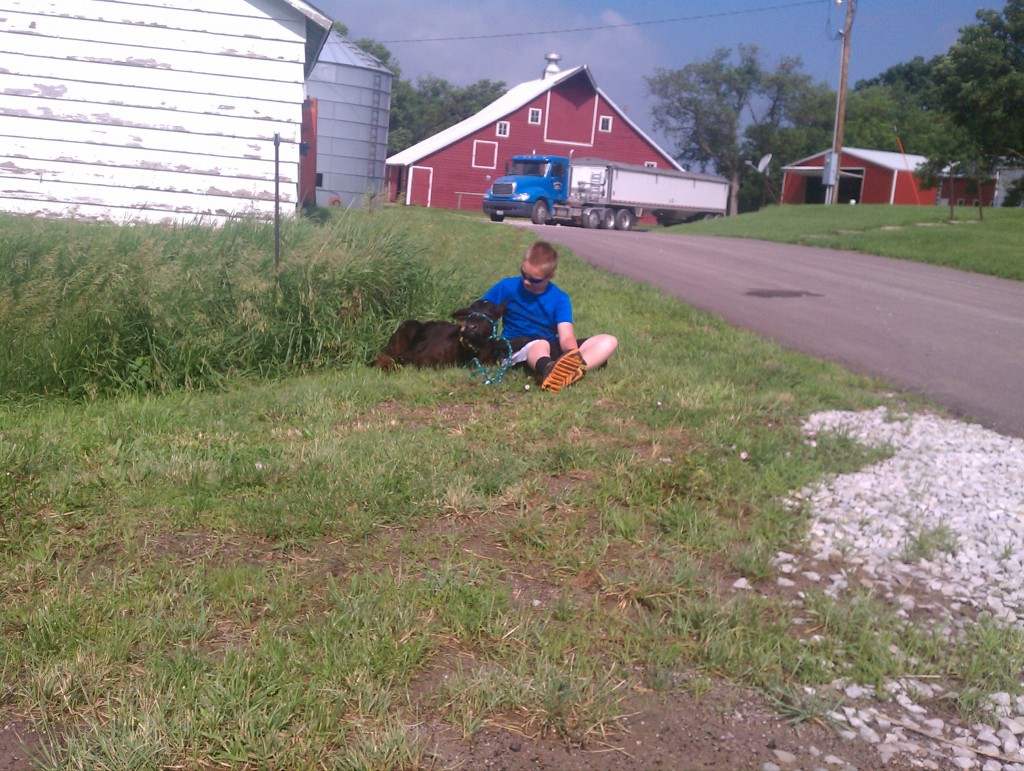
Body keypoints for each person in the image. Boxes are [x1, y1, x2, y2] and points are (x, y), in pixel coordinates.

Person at [482, 240, 618, 392]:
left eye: (534, 280)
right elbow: (481, 310)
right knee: (540, 344)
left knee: (608, 341)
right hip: (514, 347)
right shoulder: (506, 286)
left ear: (550, 276)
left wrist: (572, 355)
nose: (526, 282)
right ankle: (549, 370)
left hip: (548, 347)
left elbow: (566, 336)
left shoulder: (560, 298)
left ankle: (569, 371)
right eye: (524, 274)